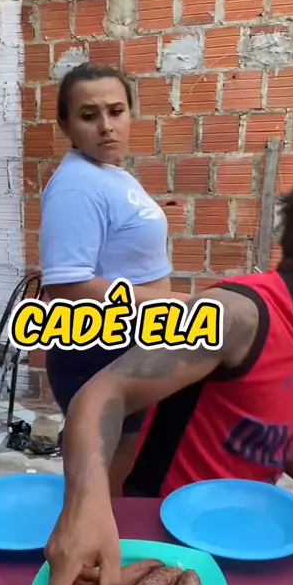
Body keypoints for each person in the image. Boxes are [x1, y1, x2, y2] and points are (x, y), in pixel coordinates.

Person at [44, 167, 293, 585]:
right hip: (166, 545)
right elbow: (102, 394)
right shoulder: (235, 315)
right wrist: (84, 505)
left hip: (244, 543)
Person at [40, 62, 190, 495]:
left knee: (118, 474)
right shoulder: (76, 187)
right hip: (98, 352)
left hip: (130, 346)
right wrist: (177, 304)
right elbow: (66, 288)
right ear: (65, 125)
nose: (106, 126)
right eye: (89, 115)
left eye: (116, 111)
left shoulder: (108, 174)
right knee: (100, 484)